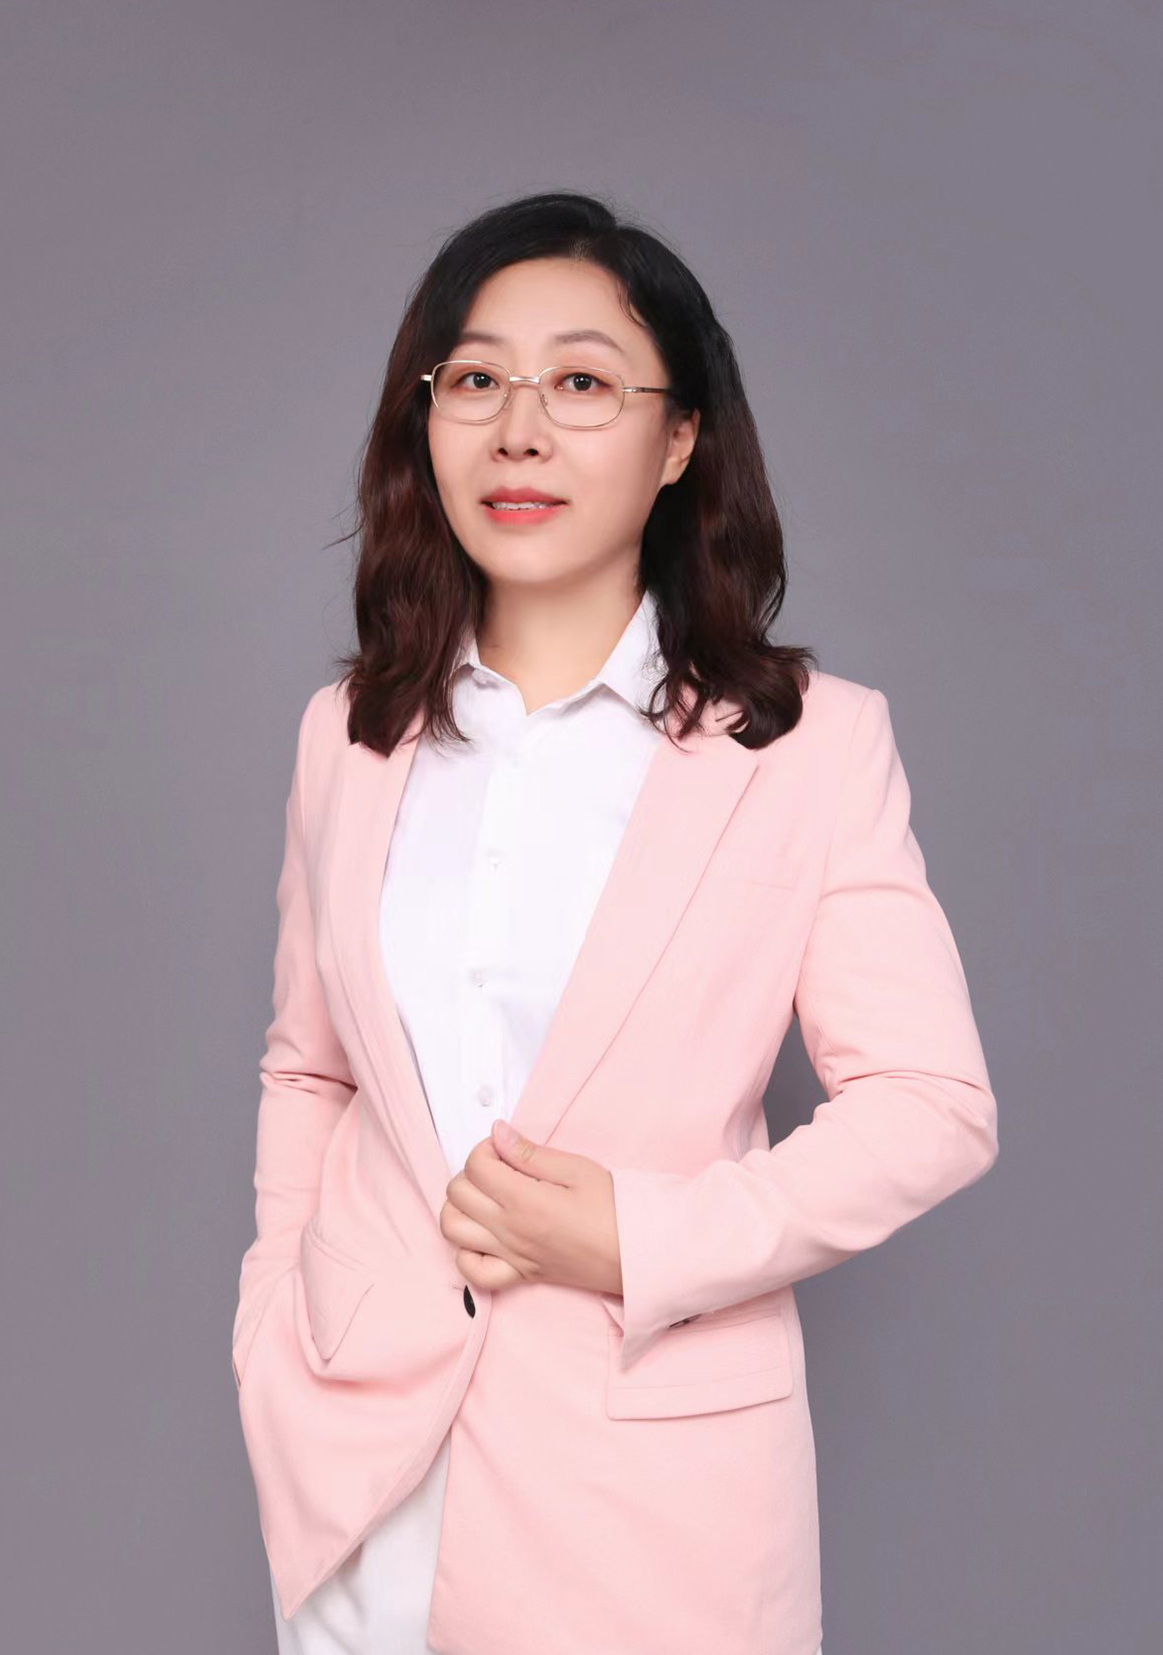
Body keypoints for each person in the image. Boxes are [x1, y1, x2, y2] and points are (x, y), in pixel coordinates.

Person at [231, 189, 998, 1655]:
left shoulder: (808, 746)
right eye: (475, 380)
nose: (519, 431)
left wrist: (645, 1236)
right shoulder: (351, 734)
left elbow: (931, 1104)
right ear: (426, 419)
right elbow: (309, 1068)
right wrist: (278, 1320)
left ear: (680, 438)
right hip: (358, 1468)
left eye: (582, 383)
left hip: (651, 1492)